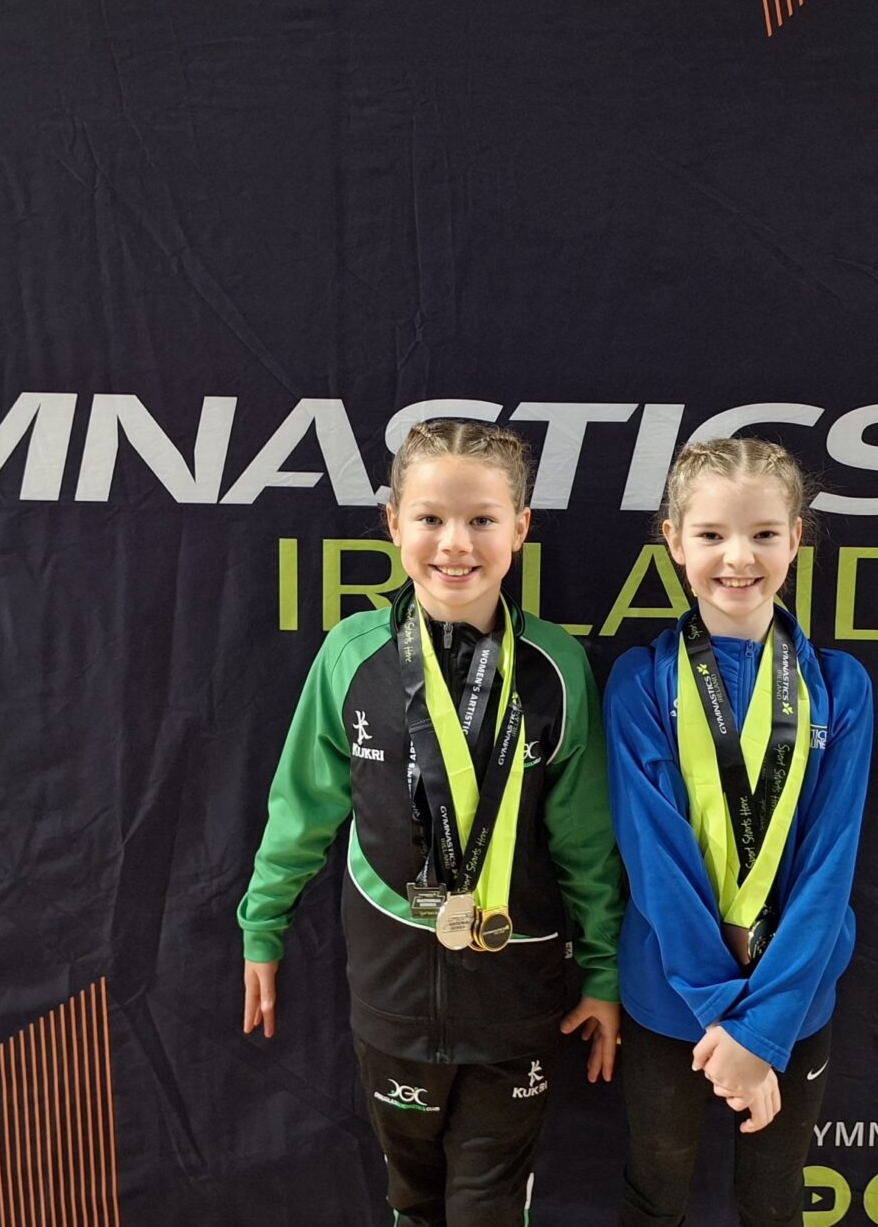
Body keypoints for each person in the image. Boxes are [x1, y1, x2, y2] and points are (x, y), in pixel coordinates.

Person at [238, 419, 624, 1227]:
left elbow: (586, 841)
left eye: (482, 519)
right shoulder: (351, 654)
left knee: (488, 1208)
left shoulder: (556, 666)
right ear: (393, 522)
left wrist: (602, 973)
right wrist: (263, 925)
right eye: (431, 517)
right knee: (413, 1204)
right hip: (393, 998)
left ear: (520, 527)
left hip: (517, 996)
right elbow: (302, 808)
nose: (456, 543)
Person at [604, 438, 873, 1227]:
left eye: (762, 533)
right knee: (655, 1189)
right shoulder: (641, 681)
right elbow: (654, 860)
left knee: (774, 1196)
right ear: (674, 539)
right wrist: (725, 1011)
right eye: (712, 534)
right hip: (670, 997)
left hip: (794, 998)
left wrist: (764, 1028)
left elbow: (829, 864)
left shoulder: (841, 686)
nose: (738, 557)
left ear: (796, 538)